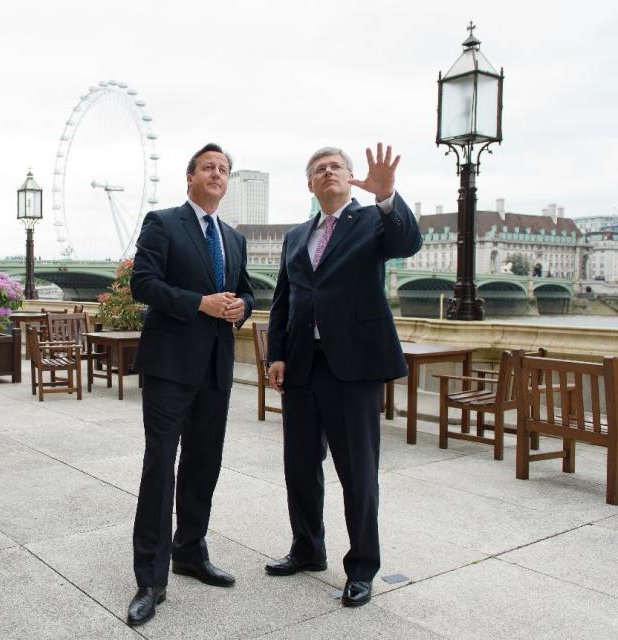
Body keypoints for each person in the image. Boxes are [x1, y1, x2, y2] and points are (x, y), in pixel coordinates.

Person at [264, 144, 421, 607]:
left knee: (358, 473)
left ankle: (362, 568)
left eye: (336, 167)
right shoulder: (296, 236)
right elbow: (283, 301)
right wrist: (277, 354)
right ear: (310, 185)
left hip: (353, 368)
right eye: (318, 169)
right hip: (302, 367)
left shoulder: (372, 222)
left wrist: (387, 195)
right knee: (300, 467)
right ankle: (307, 549)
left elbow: (407, 242)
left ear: (351, 178)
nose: (327, 172)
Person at [126, 143, 254, 626]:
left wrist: (240, 306)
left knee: (204, 465)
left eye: (223, 169)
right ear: (190, 178)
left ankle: (190, 552)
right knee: (161, 468)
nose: (217, 174)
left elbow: (245, 291)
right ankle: (150, 579)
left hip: (216, 369)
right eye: (208, 167)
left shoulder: (234, 239)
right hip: (169, 367)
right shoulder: (163, 223)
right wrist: (198, 302)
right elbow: (143, 284)